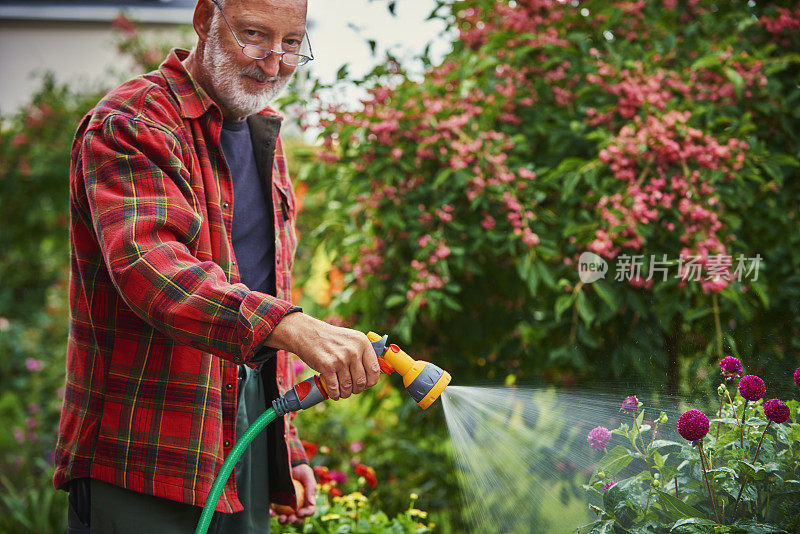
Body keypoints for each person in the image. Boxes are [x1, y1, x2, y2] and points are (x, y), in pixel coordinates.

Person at [53, 0, 381, 532]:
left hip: (240, 440)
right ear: (206, 19)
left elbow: (263, 288)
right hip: (143, 451)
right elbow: (151, 268)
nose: (273, 63)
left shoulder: (263, 135)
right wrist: (290, 326)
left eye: (292, 44)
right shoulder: (132, 122)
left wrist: (285, 447)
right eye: (254, 35)